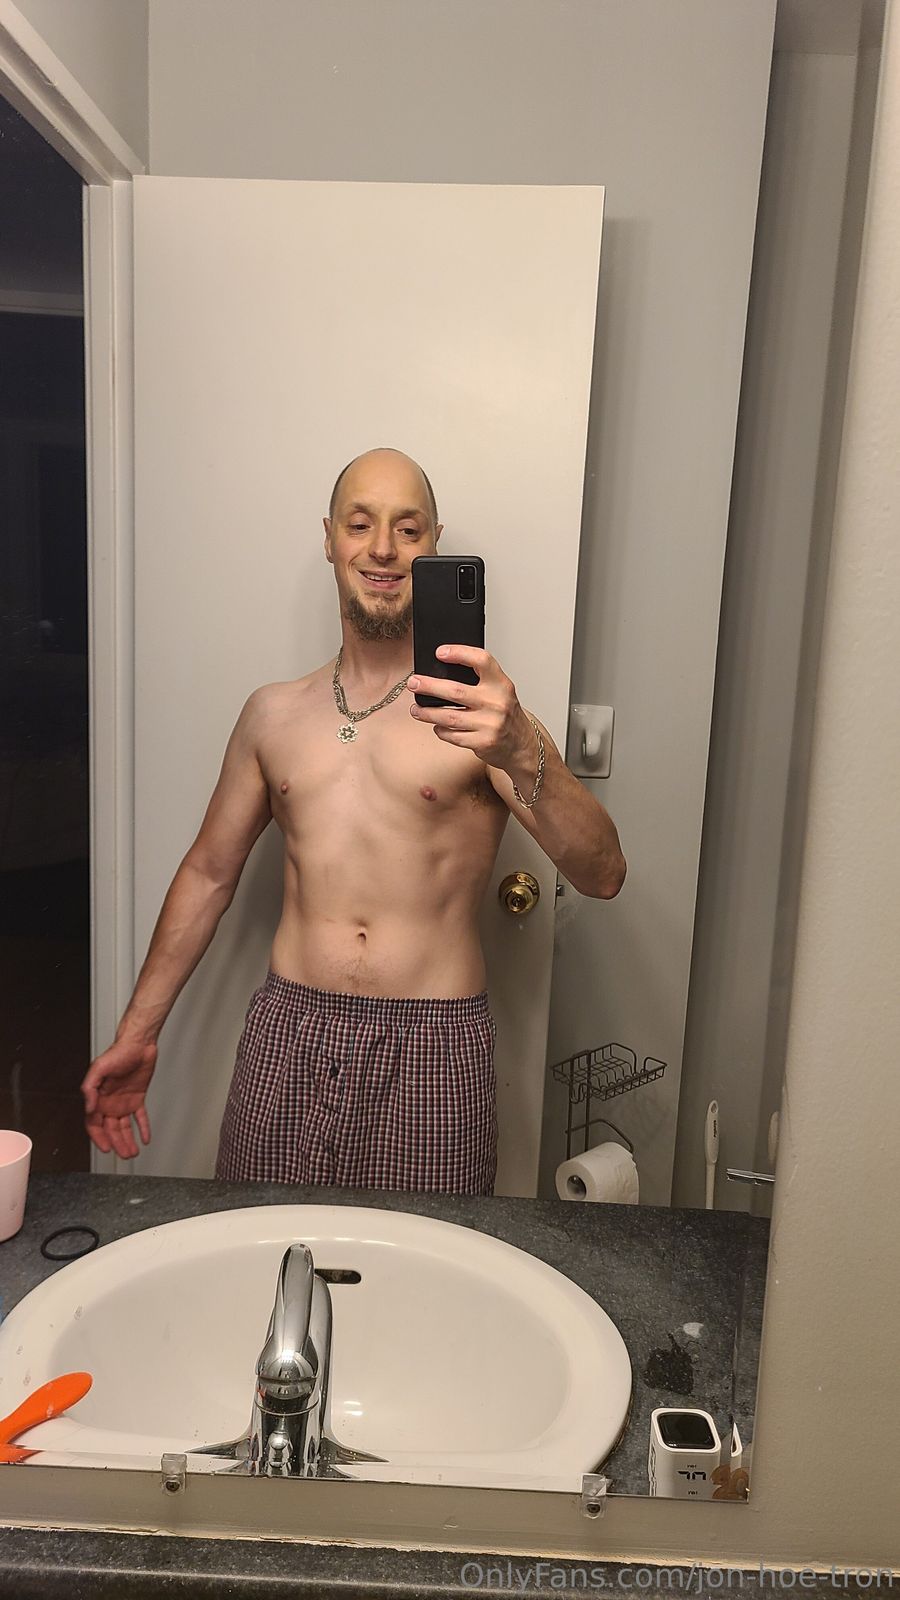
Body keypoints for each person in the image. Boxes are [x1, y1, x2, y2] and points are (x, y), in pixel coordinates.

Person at [80, 447, 626, 1193]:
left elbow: (602, 874)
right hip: (286, 1036)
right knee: (265, 1250)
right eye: (360, 524)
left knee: (427, 1262)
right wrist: (137, 1033)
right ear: (330, 538)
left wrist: (522, 750)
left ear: (434, 544)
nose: (383, 548)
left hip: (434, 1048)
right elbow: (208, 874)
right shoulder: (272, 714)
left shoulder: (484, 718)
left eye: (408, 528)